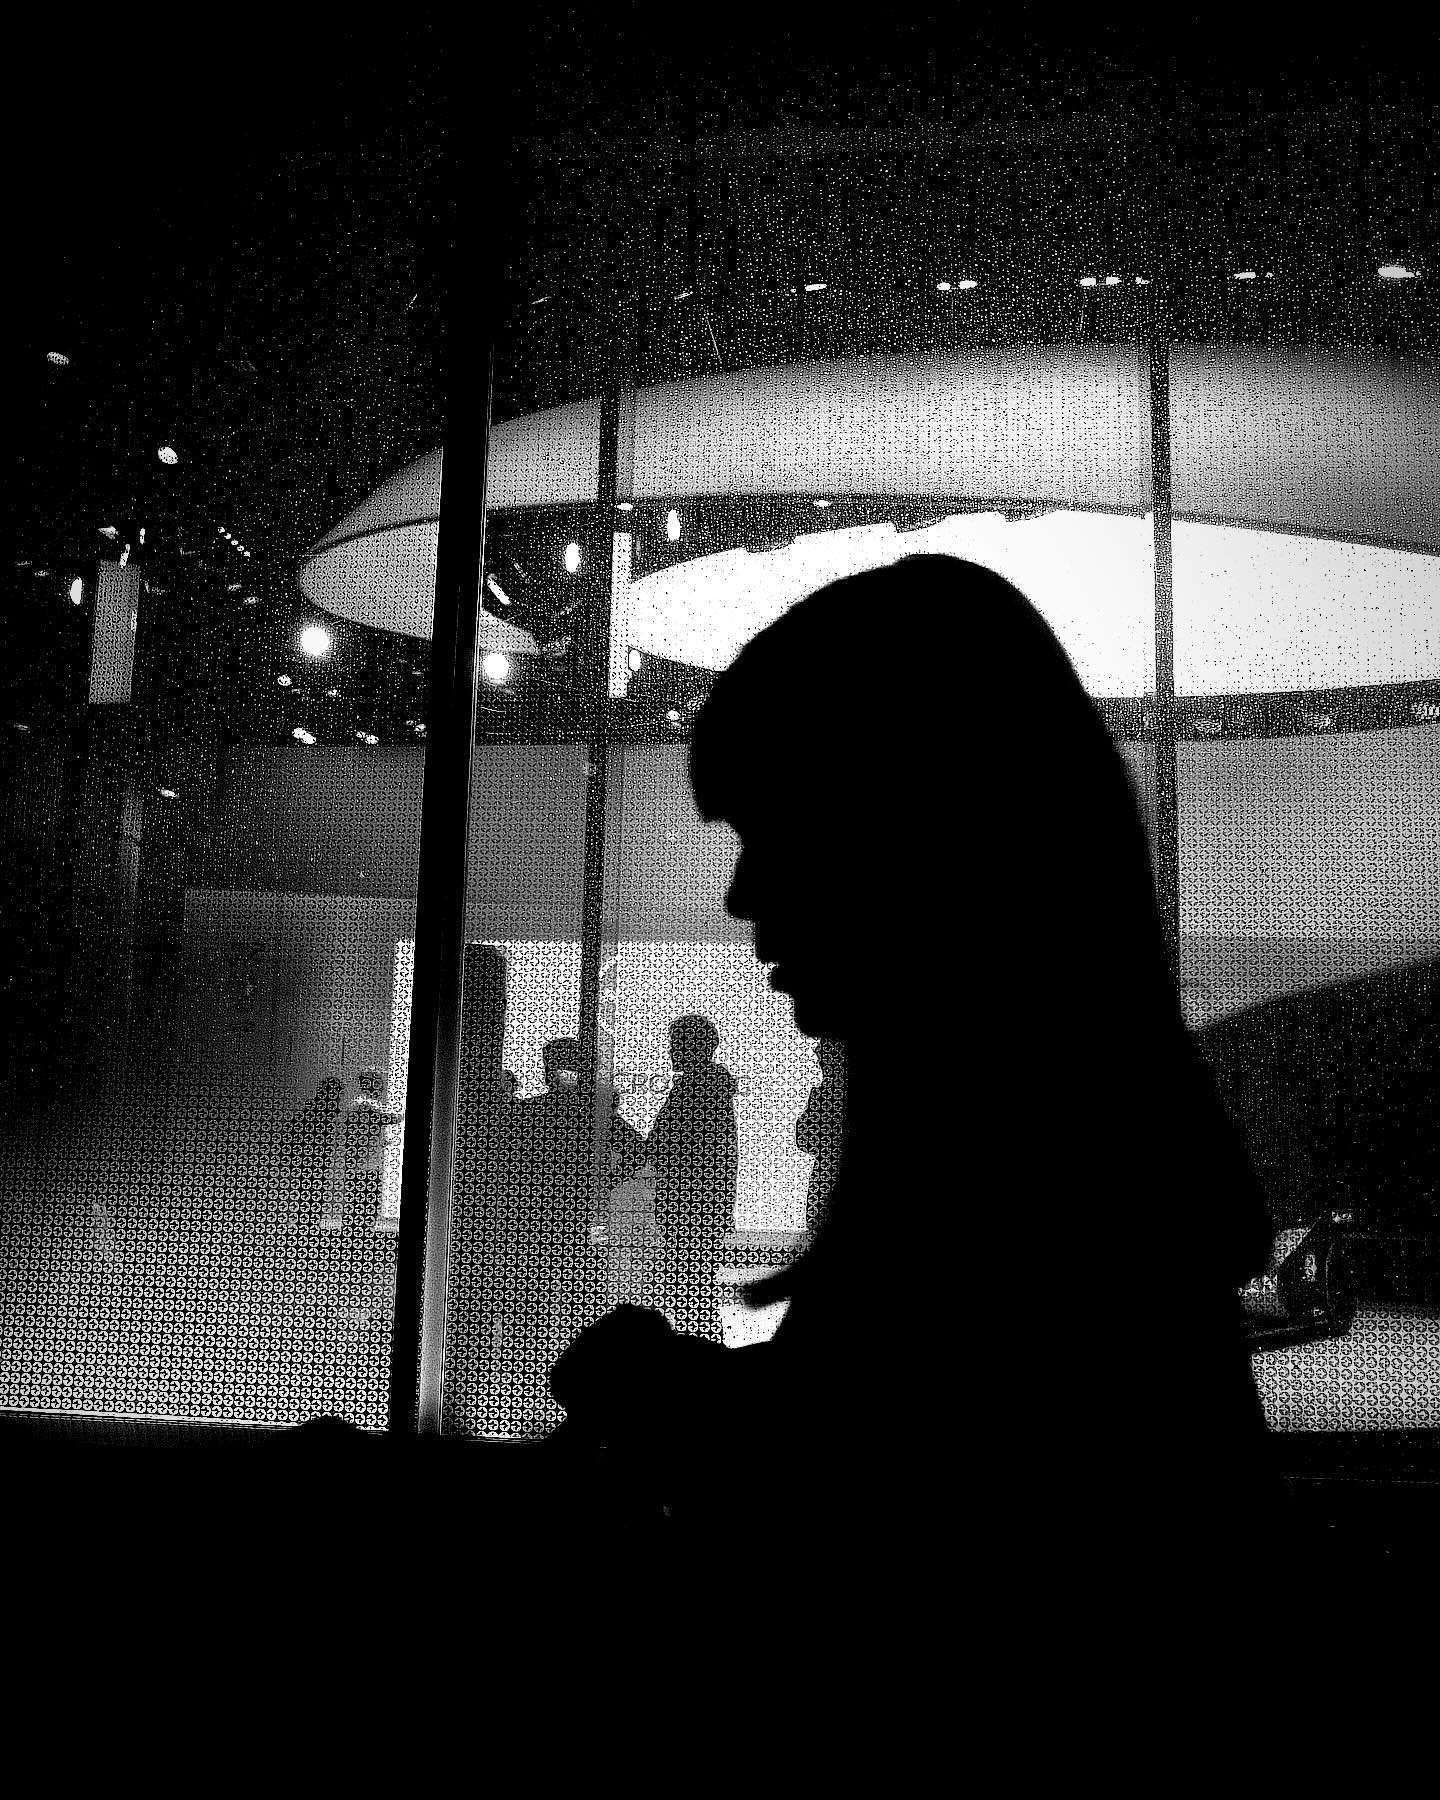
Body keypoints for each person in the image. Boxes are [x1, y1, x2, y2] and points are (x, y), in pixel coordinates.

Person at [546, 554, 1282, 1676]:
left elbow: (873, 1521)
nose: (743, 895)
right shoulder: (1088, 1198)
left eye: (775, 827)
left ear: (915, 840)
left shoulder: (1015, 1215)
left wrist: (676, 1409)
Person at [645, 1015, 738, 1341]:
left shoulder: (696, 1090)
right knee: (694, 1287)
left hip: (689, 1206)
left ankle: (699, 1358)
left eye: (676, 1043)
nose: (671, 1051)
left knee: (688, 1289)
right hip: (701, 1206)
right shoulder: (709, 1088)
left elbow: (664, 1143)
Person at [335, 1069, 403, 1233]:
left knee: (357, 1203)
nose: (381, 1086)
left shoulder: (357, 1105)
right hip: (366, 1167)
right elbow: (393, 1118)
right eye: (378, 1082)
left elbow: (365, 1133)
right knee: (366, 1203)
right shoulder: (365, 1105)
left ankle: (354, 1234)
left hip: (361, 1165)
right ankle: (360, 1235)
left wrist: (382, 1142)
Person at [794, 1036, 847, 1239]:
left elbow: (804, 1137)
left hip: (826, 1178)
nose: (817, 1053)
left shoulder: (826, 1094)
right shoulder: (824, 1092)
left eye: (823, 1047)